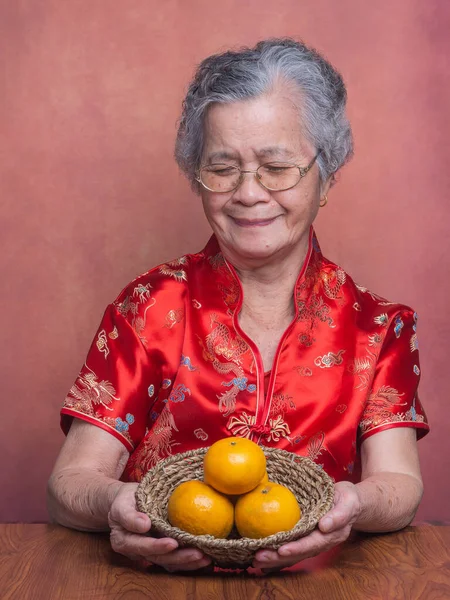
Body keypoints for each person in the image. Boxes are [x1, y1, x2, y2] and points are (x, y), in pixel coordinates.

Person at [47, 38, 429, 573]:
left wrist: (355, 505)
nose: (248, 193)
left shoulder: (378, 327)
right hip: (157, 581)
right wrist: (117, 506)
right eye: (222, 167)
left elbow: (400, 484)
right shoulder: (149, 307)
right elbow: (69, 483)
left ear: (328, 174)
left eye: (276, 166)